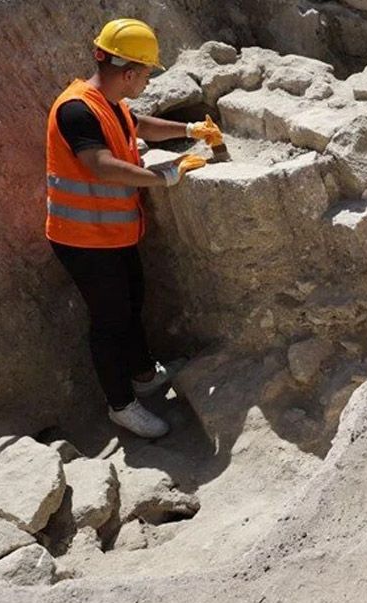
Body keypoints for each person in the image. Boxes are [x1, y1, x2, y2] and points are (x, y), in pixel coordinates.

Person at [46, 18, 221, 438]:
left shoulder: (111, 103)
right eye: (145, 73)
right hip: (81, 239)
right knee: (109, 320)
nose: (146, 80)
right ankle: (120, 405)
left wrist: (189, 130)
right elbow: (100, 166)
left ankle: (144, 374)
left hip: (113, 234)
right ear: (128, 72)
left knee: (132, 303)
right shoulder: (75, 110)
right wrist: (165, 176)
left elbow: (137, 126)